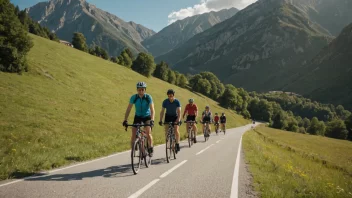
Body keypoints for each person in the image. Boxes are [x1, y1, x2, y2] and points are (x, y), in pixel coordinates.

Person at [123, 82, 155, 156]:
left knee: (148, 132)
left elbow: (152, 110)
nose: (141, 91)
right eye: (139, 90)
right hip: (138, 116)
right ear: (137, 90)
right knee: (133, 132)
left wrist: (152, 120)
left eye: (142, 90)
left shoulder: (148, 97)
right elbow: (129, 109)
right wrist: (125, 120)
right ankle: (133, 150)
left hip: (147, 116)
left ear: (145, 90)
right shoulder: (134, 97)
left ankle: (150, 147)